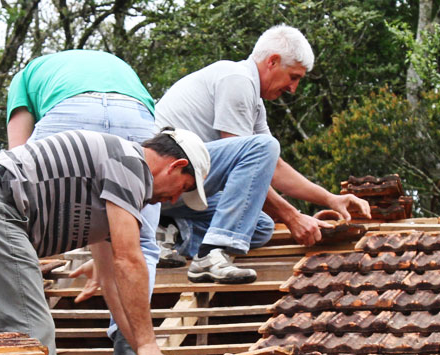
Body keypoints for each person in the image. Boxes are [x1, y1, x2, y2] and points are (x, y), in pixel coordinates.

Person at [0, 128, 212, 355]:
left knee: (7, 332)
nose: (174, 200)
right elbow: (129, 260)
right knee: (31, 333)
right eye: (183, 188)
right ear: (176, 165)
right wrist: (149, 344)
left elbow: (112, 280)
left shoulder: (113, 179)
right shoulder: (131, 164)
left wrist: (144, 349)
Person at [155, 24, 371, 282]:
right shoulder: (236, 80)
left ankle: (170, 230)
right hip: (163, 181)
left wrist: (330, 199)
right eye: (293, 77)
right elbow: (248, 164)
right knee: (263, 149)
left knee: (260, 226)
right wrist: (292, 217)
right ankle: (212, 254)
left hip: (188, 189)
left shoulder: (254, 100)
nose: (293, 88)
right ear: (272, 61)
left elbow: (273, 167)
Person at [4, 49, 160, 355]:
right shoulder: (120, 69)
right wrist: (102, 259)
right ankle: (130, 342)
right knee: (141, 242)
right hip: (135, 116)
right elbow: (111, 214)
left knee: (14, 225)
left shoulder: (24, 77)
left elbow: (16, 162)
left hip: (70, 112)